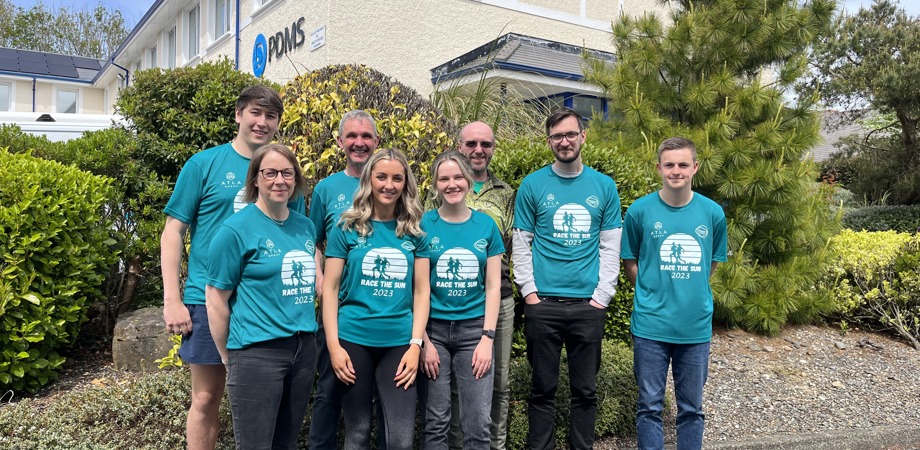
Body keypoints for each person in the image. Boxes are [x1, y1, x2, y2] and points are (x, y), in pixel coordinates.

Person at [161, 85, 301, 450]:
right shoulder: (204, 164)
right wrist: (172, 299)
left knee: (267, 403)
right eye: (255, 113)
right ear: (238, 115)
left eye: (270, 116)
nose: (262, 122)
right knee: (206, 399)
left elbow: (296, 235)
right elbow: (173, 231)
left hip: (266, 305)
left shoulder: (282, 171)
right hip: (209, 298)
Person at [512, 107, 622, 450]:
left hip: (587, 307)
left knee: (585, 392)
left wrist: (601, 297)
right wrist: (530, 294)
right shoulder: (533, 184)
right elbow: (521, 243)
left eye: (570, 134)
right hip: (543, 304)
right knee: (541, 391)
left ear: (582, 137)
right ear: (549, 142)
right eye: (557, 136)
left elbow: (610, 246)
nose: (565, 141)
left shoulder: (603, 187)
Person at [205, 143, 319, 449]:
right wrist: (229, 356)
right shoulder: (235, 230)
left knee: (286, 443)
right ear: (255, 179)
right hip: (257, 351)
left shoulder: (305, 227)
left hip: (303, 349)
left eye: (287, 173)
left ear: (296, 179)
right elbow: (215, 297)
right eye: (270, 173)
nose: (279, 180)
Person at [621, 137, 727, 450]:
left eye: (683, 164)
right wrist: (655, 290)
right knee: (649, 406)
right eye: (669, 164)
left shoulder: (712, 213)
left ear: (695, 167)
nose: (676, 171)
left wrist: (687, 289)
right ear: (659, 168)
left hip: (694, 328)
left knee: (692, 409)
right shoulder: (640, 211)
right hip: (651, 326)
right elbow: (631, 262)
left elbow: (711, 264)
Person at [322, 148, 430, 450]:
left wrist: (415, 345)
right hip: (352, 339)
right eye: (381, 176)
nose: (389, 185)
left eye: (397, 178)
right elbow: (330, 289)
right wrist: (333, 346)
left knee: (400, 440)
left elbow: (422, 292)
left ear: (405, 184)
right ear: (369, 179)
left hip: (399, 343)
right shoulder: (346, 227)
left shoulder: (415, 232)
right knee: (357, 433)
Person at [419, 151, 504, 449]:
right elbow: (418, 289)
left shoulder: (486, 226)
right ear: (435, 184)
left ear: (468, 181)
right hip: (434, 333)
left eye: (458, 177)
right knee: (436, 423)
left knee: (478, 425)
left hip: (474, 332)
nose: (452, 184)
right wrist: (423, 342)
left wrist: (487, 338)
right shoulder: (423, 226)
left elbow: (494, 286)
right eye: (444, 178)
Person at [308, 110, 381, 450]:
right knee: (329, 387)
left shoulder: (388, 180)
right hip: (336, 307)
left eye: (366, 136)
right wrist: (320, 280)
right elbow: (315, 242)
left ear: (376, 142)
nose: (359, 143)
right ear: (340, 142)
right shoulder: (326, 188)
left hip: (379, 308)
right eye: (352, 136)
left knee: (379, 392)